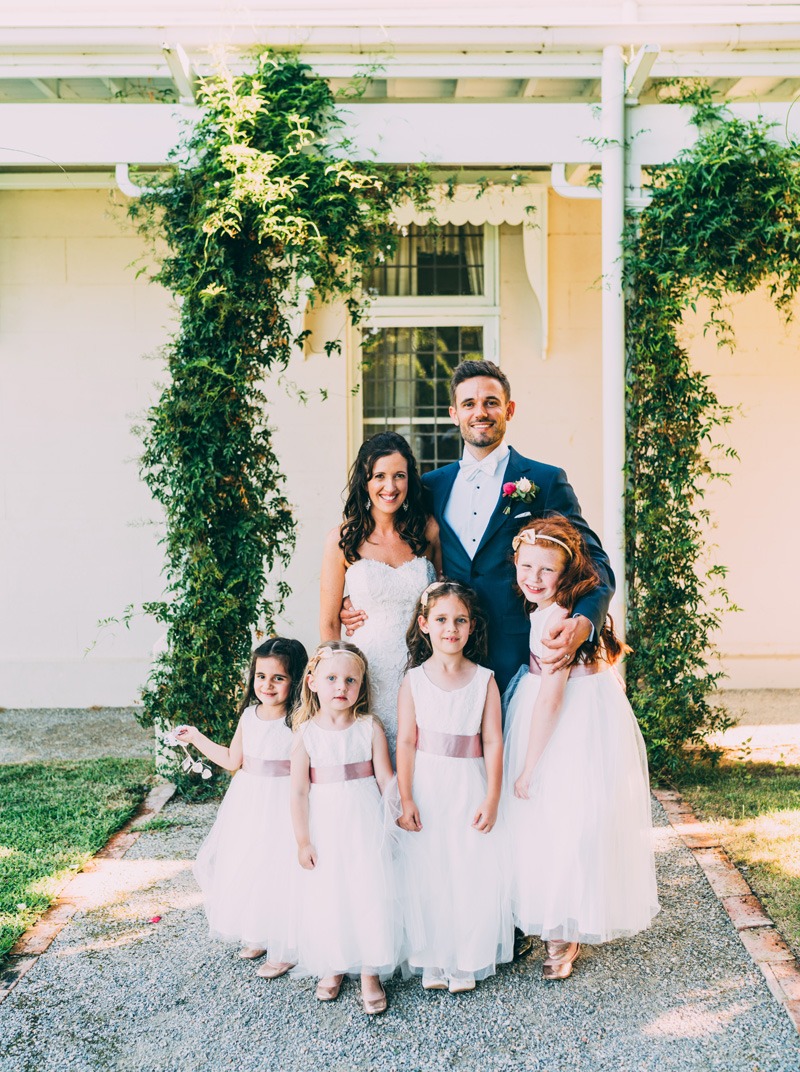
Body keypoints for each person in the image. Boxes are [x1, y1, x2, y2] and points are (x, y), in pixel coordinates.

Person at [503, 517, 659, 980]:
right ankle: (557, 925)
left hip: (561, 721)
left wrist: (530, 764)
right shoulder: (558, 611)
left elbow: (551, 696)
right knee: (564, 819)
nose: (532, 578)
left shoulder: (554, 621)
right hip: (583, 709)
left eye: (545, 571)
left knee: (555, 817)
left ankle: (561, 930)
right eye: (525, 566)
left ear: (565, 575)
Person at [419, 360, 615, 695]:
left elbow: (595, 562)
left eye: (491, 402)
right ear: (454, 413)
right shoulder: (430, 487)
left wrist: (584, 622)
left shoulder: (545, 480)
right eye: (469, 404)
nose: (480, 412)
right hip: (449, 654)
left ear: (509, 410)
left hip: (523, 654)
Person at [395, 581, 513, 992]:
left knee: (468, 867)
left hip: (469, 783)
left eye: (460, 620)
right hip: (427, 784)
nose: (451, 628)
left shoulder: (484, 680)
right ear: (424, 624)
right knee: (429, 868)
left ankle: (466, 958)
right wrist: (406, 796)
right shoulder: (413, 680)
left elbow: (494, 740)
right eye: (442, 619)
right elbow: (406, 740)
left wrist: (493, 795)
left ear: (471, 626)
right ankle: (432, 958)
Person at [177, 636, 308, 977]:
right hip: (249, 801)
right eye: (261, 676)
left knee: (282, 868)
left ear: (294, 680)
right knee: (253, 863)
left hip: (283, 802)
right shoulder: (250, 716)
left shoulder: (299, 720)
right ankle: (261, 930)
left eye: (278, 677)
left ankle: (286, 944)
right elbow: (233, 759)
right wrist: (196, 737)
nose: (267, 685)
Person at [290, 641, 399, 1015]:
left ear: (361, 686)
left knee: (368, 890)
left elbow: (386, 779)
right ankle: (333, 962)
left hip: (365, 821)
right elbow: (299, 791)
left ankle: (370, 971)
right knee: (331, 891)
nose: (341, 686)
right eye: (332, 678)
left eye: (351, 680)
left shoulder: (369, 727)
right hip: (326, 824)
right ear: (312, 681)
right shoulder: (305, 733)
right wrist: (303, 840)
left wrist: (401, 812)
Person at [320, 431, 440, 762]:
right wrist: (336, 686)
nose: (390, 487)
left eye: (399, 476)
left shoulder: (427, 531)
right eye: (380, 476)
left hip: (421, 668)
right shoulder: (341, 540)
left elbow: (444, 601)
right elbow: (330, 625)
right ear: (365, 481)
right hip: (367, 672)